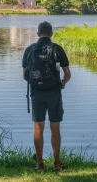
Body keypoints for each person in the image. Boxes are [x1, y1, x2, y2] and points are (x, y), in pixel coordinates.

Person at [22, 21, 71, 171]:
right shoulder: (57, 49)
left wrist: (36, 83)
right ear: (51, 34)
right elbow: (67, 74)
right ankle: (56, 163)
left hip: (37, 93)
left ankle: (40, 164)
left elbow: (25, 76)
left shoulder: (30, 50)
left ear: (38, 34)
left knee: (38, 127)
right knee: (55, 127)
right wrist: (62, 83)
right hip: (54, 93)